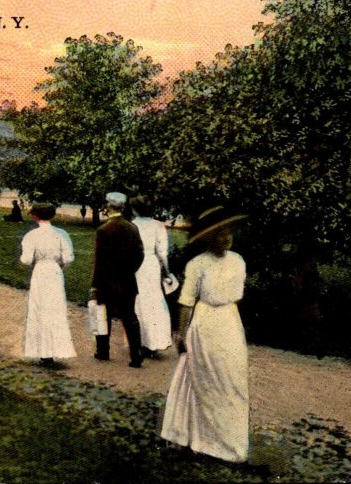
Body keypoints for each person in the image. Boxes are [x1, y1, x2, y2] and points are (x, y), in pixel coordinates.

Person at [160, 206, 249, 463]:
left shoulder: (238, 260)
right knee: (207, 378)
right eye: (219, 233)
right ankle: (204, 440)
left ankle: (230, 441)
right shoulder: (197, 264)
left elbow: (235, 294)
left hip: (230, 321)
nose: (225, 238)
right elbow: (186, 301)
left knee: (233, 378)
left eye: (228, 232)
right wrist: (181, 333)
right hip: (205, 322)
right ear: (209, 237)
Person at [90, 191, 145, 367]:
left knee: (103, 316)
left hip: (107, 281)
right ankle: (136, 355)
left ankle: (103, 351)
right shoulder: (132, 227)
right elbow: (140, 254)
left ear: (108, 206)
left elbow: (100, 261)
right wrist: (130, 271)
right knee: (130, 317)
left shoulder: (104, 230)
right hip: (127, 280)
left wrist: (95, 285)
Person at [20, 204, 77, 366]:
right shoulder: (62, 234)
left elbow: (26, 260)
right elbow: (68, 258)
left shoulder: (31, 235)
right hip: (55, 272)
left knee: (39, 308)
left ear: (35, 216)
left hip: (40, 271)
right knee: (55, 309)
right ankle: (54, 350)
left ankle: (43, 351)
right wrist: (59, 265)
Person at [129, 195, 174, 358]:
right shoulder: (158, 226)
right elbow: (162, 252)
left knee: (139, 300)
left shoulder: (132, 225)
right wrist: (167, 272)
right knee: (153, 300)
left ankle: (141, 341)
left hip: (136, 264)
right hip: (151, 264)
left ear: (135, 209)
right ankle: (153, 342)